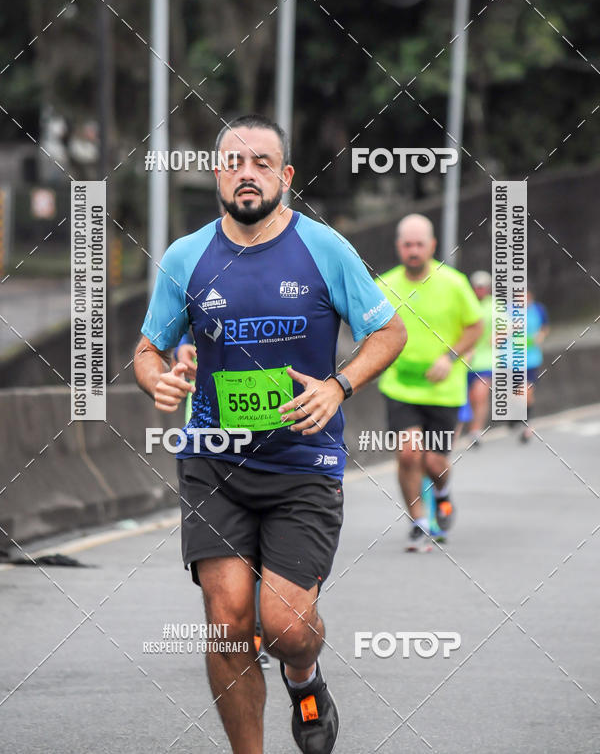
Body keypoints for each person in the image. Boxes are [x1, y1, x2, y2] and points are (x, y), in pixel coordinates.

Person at [134, 113, 407, 754]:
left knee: (283, 627)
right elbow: (149, 349)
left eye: (261, 163)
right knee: (229, 624)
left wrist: (337, 385)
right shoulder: (186, 257)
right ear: (218, 175)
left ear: (284, 175)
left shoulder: (325, 249)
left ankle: (304, 675)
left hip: (303, 463)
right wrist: (158, 381)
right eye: (234, 162)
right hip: (213, 460)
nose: (247, 174)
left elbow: (389, 332)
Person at [377, 214, 483, 552]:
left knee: (435, 462)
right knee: (409, 454)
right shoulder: (384, 286)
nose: (413, 250)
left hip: (444, 389)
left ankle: (442, 492)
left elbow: (475, 327)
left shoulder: (453, 283)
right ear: (398, 247)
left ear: (432, 246)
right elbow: (372, 330)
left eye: (419, 244)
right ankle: (419, 521)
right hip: (400, 387)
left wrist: (449, 358)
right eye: (407, 244)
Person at [466, 271, 494, 445]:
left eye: (483, 287)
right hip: (465, 360)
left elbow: (508, 326)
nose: (480, 290)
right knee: (469, 398)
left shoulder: (495, 306)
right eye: (477, 287)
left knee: (480, 395)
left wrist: (499, 334)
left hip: (486, 359)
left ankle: (476, 430)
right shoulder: (466, 303)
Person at [521, 289, 549, 442]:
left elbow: (545, 327)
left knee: (527, 390)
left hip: (531, 358)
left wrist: (541, 336)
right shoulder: (507, 310)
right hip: (512, 358)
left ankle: (527, 422)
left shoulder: (538, 309)